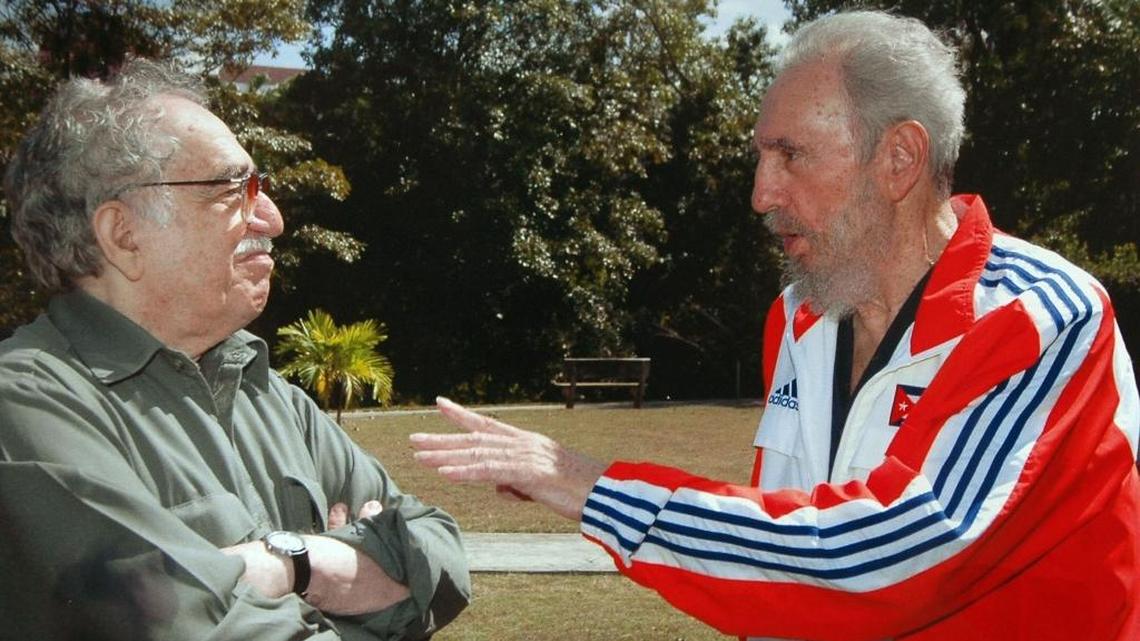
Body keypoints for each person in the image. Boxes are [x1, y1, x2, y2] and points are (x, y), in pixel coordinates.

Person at [410, 10, 1140, 641]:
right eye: (761, 157)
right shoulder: (800, 316)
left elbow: (893, 558)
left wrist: (592, 486)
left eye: (789, 155)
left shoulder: (1043, 318)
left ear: (900, 158)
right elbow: (788, 540)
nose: (762, 194)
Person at [0, 60, 469, 640]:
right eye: (231, 188)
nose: (272, 218)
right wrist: (348, 574)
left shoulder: (268, 394)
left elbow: (441, 556)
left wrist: (292, 566)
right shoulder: (26, 409)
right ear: (123, 234)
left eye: (262, 188)